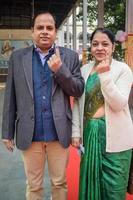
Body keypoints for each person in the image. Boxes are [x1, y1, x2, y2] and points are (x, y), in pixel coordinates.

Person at [2, 11, 84, 200]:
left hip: (59, 133)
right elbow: (10, 96)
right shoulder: (17, 57)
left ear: (56, 31)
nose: (45, 32)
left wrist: (60, 70)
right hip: (30, 134)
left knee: (59, 183)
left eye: (49, 28)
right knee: (34, 185)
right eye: (40, 28)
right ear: (32, 32)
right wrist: (7, 131)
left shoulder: (70, 57)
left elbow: (78, 90)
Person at [72, 27, 133, 200]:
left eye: (105, 44)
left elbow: (119, 104)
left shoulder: (123, 70)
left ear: (113, 47)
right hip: (90, 134)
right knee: (91, 184)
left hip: (117, 138)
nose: (100, 48)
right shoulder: (84, 71)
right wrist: (76, 131)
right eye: (95, 44)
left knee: (114, 188)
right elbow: (77, 103)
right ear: (90, 47)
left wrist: (105, 75)